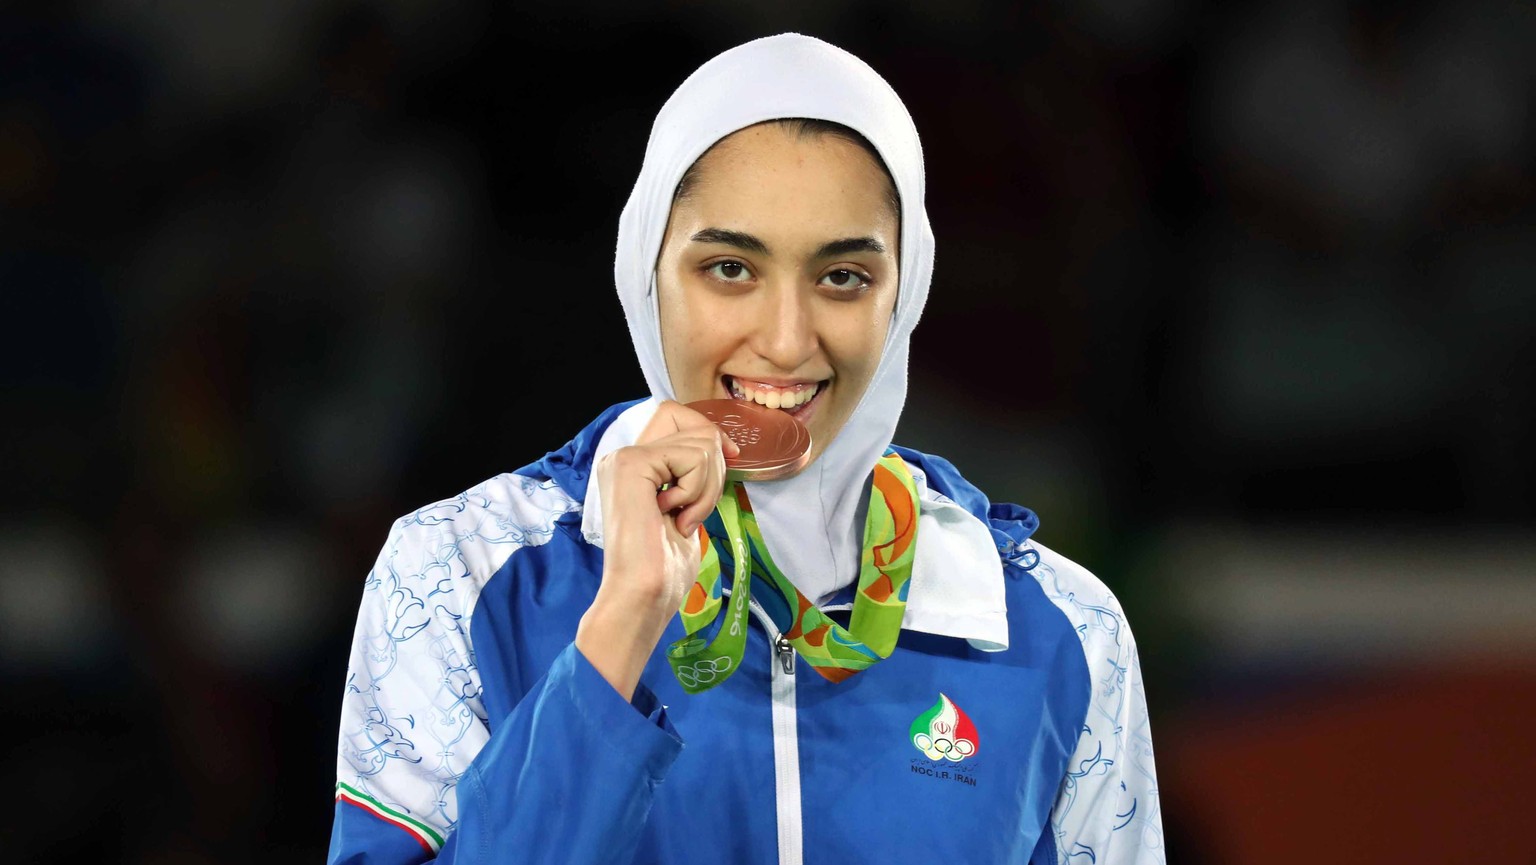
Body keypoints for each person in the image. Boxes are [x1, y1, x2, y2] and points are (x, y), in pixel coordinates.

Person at [328, 33, 1163, 865]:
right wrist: (618, 630)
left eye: (843, 277)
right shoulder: (463, 573)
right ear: (643, 269)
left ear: (907, 294)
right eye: (730, 268)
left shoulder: (1059, 631)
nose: (786, 341)